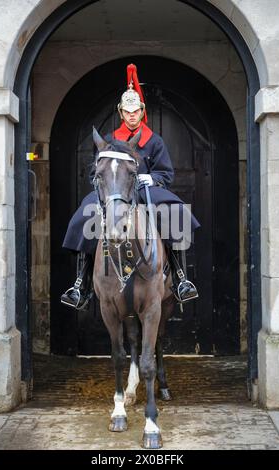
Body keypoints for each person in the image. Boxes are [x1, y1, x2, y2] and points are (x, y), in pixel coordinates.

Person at [61, 64, 200, 310]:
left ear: (142, 111)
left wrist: (151, 178)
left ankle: (180, 278)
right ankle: (80, 284)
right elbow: (98, 170)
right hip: (115, 191)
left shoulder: (154, 141)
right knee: (85, 214)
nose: (132, 115)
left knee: (175, 213)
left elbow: (165, 173)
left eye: (136, 111)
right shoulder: (109, 140)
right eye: (127, 111)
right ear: (121, 112)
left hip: (145, 189)